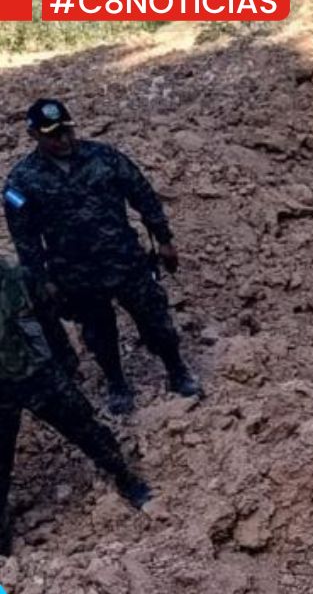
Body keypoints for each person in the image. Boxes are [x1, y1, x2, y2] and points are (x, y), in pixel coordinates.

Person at [3, 99, 203, 416]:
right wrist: (42, 284)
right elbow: (25, 240)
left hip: (125, 261)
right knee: (98, 334)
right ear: (33, 135)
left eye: (67, 130)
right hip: (75, 276)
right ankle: (116, 383)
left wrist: (164, 239)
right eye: (53, 135)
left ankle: (177, 370)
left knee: (155, 320)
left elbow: (142, 193)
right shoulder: (22, 182)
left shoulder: (104, 156)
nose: (64, 140)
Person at [0, 257, 152, 557]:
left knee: (86, 428)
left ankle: (127, 479)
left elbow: (47, 318)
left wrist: (67, 359)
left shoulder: (16, 275)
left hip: (39, 373)